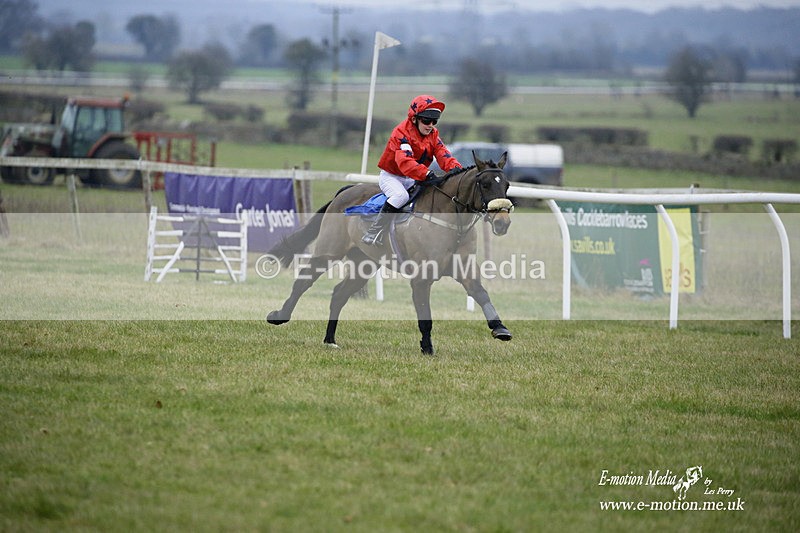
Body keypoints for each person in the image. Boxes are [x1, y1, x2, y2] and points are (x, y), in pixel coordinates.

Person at [362, 94, 463, 246]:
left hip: (414, 177)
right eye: (426, 121)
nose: (430, 125)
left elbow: (443, 153)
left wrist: (456, 169)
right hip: (392, 177)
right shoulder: (401, 133)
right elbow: (405, 162)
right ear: (414, 118)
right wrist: (427, 174)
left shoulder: (433, 134)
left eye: (434, 121)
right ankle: (374, 231)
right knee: (400, 196)